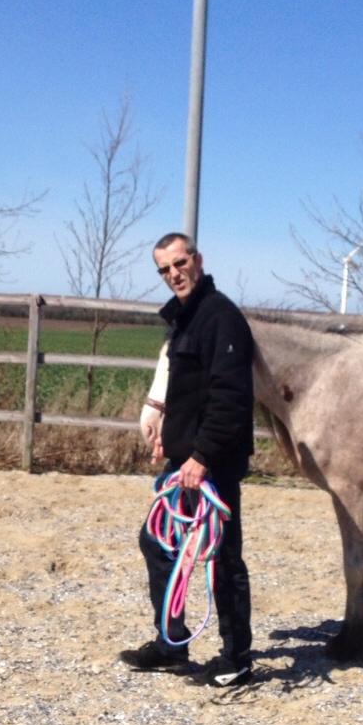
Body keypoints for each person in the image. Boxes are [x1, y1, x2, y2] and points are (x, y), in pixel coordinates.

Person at [120, 232, 255, 688]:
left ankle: (236, 656)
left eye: (179, 263)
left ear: (197, 259)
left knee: (222, 558)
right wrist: (170, 438)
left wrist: (201, 457)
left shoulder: (222, 319)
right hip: (184, 461)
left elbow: (229, 399)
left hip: (212, 465)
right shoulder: (186, 320)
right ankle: (171, 643)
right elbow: (186, 391)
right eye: (164, 270)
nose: (173, 274)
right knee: (157, 544)